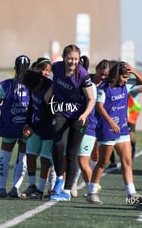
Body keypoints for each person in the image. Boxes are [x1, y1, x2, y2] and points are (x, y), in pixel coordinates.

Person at [86, 61, 142, 205]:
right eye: (124, 77)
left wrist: (134, 71)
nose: (126, 80)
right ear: (117, 75)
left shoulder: (126, 85)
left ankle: (131, 193)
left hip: (123, 130)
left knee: (127, 161)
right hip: (107, 129)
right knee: (103, 162)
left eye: (127, 77)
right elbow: (99, 107)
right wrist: (111, 122)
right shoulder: (104, 88)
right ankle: (91, 192)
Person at [47, 44, 95, 201]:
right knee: (57, 145)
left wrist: (85, 114)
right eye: (70, 58)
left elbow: (91, 99)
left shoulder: (83, 75)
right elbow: (56, 82)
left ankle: (67, 191)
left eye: (75, 59)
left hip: (78, 117)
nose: (72, 62)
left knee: (72, 153)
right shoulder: (57, 67)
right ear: (64, 58)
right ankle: (60, 178)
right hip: (61, 111)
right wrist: (48, 96)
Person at [0, 55, 30, 198]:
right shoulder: (33, 85)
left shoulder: (6, 84)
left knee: (5, 157)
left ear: (15, 68)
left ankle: (1, 189)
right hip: (26, 127)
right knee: (22, 157)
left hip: (9, 125)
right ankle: (16, 188)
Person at [72, 58, 111, 197]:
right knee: (80, 156)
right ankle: (75, 183)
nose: (103, 77)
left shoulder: (107, 85)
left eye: (106, 75)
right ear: (96, 70)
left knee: (94, 156)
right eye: (101, 74)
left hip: (98, 124)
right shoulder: (86, 80)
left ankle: (93, 185)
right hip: (87, 122)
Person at [21, 65, 54, 200]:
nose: (30, 90)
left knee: (45, 160)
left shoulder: (50, 88)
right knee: (30, 154)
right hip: (35, 126)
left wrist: (32, 127)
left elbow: (48, 114)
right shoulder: (32, 85)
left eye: (31, 88)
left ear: (39, 82)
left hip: (49, 128)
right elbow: (30, 106)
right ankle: (31, 185)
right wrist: (27, 123)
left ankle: (41, 190)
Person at [128, 86, 142, 159]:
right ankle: (112, 161)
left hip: (129, 117)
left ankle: (133, 150)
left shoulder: (131, 89)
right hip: (119, 115)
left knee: (131, 135)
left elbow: (134, 91)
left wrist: (137, 90)